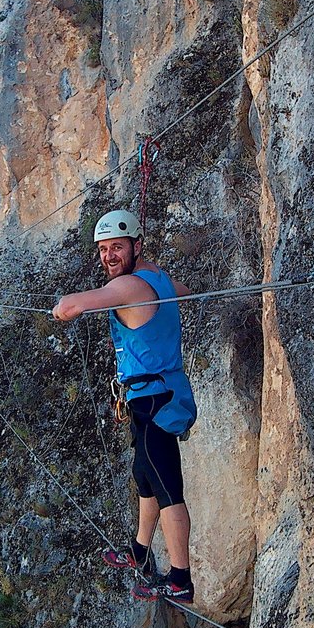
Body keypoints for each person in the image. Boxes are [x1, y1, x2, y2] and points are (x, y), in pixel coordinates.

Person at [52, 209, 198, 603]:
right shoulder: (157, 279)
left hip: (156, 399)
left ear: (136, 246)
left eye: (117, 247)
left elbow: (71, 306)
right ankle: (139, 551)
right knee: (145, 476)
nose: (109, 256)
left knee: (167, 487)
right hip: (151, 395)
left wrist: (61, 307)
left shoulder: (130, 287)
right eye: (102, 250)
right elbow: (181, 292)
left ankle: (181, 578)